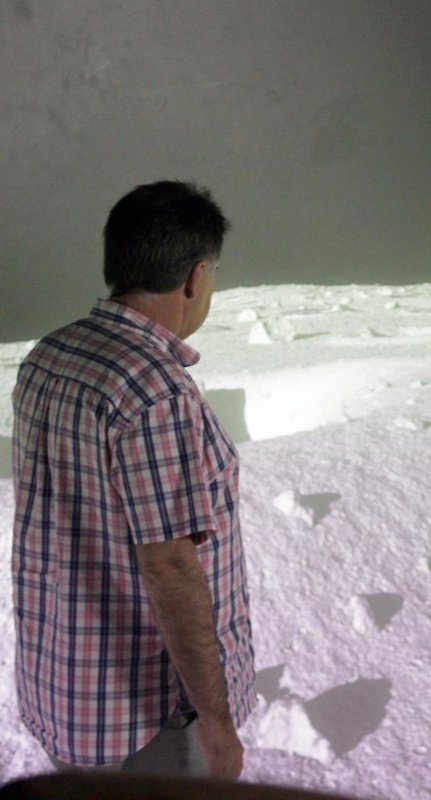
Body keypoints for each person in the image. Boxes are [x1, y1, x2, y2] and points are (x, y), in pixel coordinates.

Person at [10, 181, 254, 778]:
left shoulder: (49, 356)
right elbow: (170, 566)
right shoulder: (155, 391)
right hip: (148, 723)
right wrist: (217, 723)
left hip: (65, 691)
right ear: (195, 278)